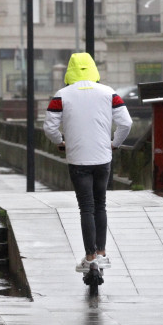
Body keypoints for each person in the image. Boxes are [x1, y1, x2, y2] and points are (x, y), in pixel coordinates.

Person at [43, 53, 132, 273]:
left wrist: (61, 142)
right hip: (103, 158)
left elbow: (49, 127)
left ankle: (89, 256)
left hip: (78, 159)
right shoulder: (109, 93)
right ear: (93, 69)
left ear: (70, 70)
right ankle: (101, 253)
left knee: (86, 208)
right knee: (100, 204)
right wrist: (114, 144)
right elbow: (126, 123)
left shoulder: (61, 95)